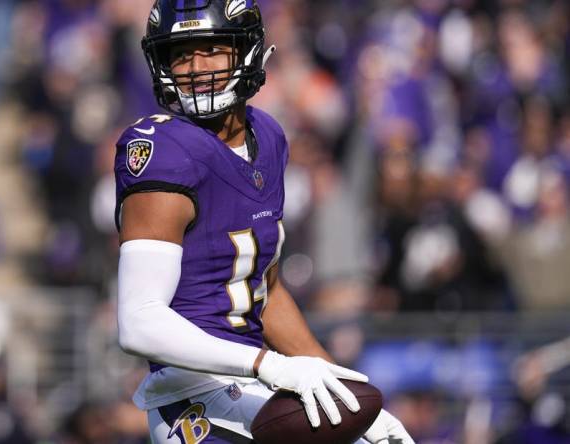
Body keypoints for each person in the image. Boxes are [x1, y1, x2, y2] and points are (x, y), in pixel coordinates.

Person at [114, 1, 414, 443]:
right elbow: (139, 321)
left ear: (246, 52)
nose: (195, 68)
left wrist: (345, 392)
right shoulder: (163, 152)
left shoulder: (268, 137)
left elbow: (264, 289)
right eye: (181, 54)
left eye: (212, 49)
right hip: (193, 400)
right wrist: (265, 364)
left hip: (258, 385)